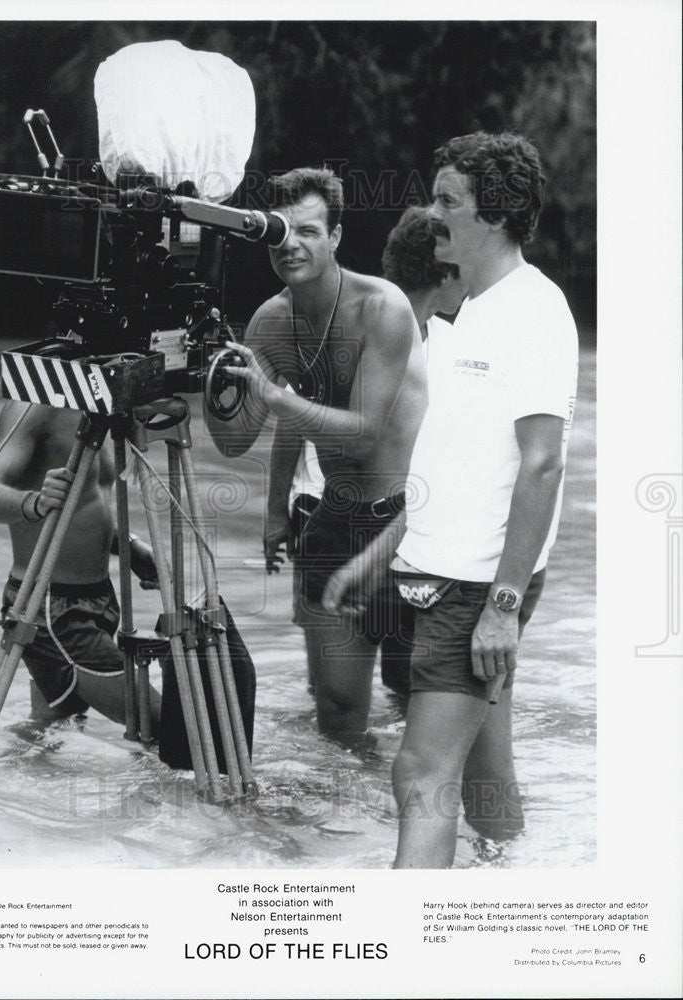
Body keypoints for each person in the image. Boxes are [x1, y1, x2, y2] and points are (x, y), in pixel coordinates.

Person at [323, 132, 578, 867]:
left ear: (493, 216)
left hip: (475, 587)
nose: (431, 214)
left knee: (420, 772)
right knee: (485, 779)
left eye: (447, 201)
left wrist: (501, 604)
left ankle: (409, 957)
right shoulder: (467, 310)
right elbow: (454, 467)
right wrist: (382, 556)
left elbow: (541, 465)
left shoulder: (536, 311)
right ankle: (513, 891)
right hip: (447, 575)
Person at [205, 166, 427, 745]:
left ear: (335, 237)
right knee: (337, 714)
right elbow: (233, 440)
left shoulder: (383, 308)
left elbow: (362, 434)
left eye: (308, 230)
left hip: (410, 526)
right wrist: (214, 378)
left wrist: (275, 394)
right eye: (281, 232)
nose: (292, 245)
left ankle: (407, 821)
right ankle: (339, 832)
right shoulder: (271, 321)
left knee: (418, 707)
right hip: (334, 520)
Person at [264, 206, 467, 700]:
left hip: (396, 521)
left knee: (393, 687)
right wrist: (275, 514)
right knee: (345, 692)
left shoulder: (444, 342)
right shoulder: (362, 321)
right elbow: (293, 419)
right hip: (337, 512)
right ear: (446, 272)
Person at [0, 402, 161, 730]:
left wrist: (129, 545)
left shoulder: (108, 403)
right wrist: (34, 503)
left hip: (96, 598)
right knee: (167, 729)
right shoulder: (35, 406)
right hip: (52, 608)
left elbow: (86, 502)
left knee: (54, 725)